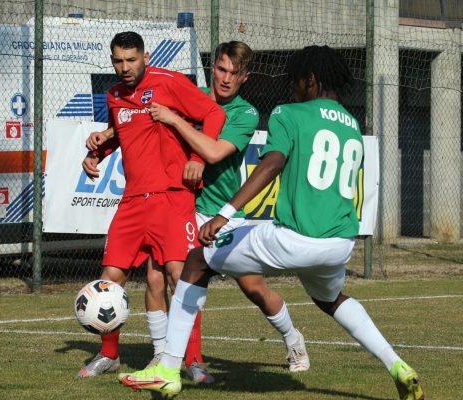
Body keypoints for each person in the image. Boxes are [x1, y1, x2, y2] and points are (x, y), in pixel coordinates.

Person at [118, 45, 424, 400]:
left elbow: (272, 163)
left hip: (294, 236)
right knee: (331, 300)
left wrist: (225, 214)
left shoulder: (287, 113)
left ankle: (168, 369)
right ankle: (397, 364)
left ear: (310, 80)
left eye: (296, 81)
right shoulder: (351, 123)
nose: (292, 89)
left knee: (197, 261)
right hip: (339, 243)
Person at [150, 40, 309, 374]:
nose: (225, 79)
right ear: (213, 68)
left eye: (234, 74)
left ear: (245, 77)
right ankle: (174, 358)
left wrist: (178, 124)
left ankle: (293, 337)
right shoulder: (189, 98)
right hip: (182, 206)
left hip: (223, 214)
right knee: (169, 277)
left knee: (254, 288)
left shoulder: (245, 113)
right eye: (221, 69)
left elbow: (213, 153)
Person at [77, 31, 226, 379]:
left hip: (172, 197)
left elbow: (213, 114)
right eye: (118, 61)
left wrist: (198, 158)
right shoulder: (115, 95)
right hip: (132, 201)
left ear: (145, 56)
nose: (125, 67)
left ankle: (193, 362)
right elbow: (122, 131)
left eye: (131, 59)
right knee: (109, 281)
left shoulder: (169, 82)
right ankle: (110, 354)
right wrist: (96, 151)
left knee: (180, 277)